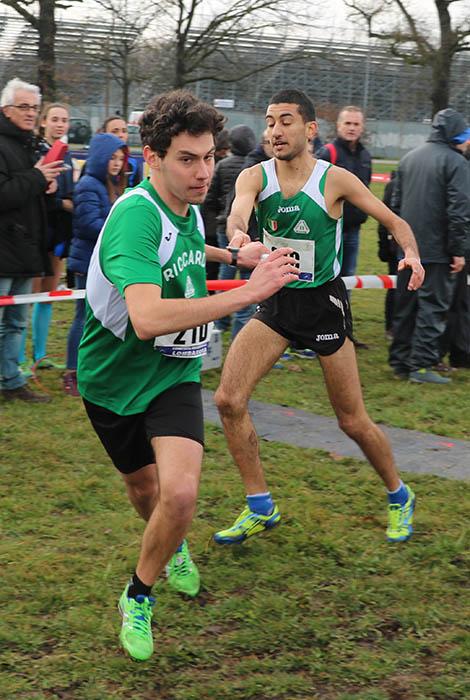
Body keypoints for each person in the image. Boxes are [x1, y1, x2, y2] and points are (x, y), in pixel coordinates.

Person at [76, 89, 299, 661]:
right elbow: (147, 318)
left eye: (209, 156)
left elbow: (190, 246)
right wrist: (247, 295)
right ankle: (169, 543)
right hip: (111, 380)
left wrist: (233, 258)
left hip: (173, 373)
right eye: (187, 159)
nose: (204, 172)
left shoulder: (186, 204)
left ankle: (138, 593)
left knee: (179, 492)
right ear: (152, 157)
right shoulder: (134, 217)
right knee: (145, 490)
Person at [212, 88, 424, 551]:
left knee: (351, 420)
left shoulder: (335, 180)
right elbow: (238, 214)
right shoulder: (254, 175)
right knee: (228, 400)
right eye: (269, 121)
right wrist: (238, 234)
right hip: (276, 304)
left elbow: (394, 220)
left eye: (285, 121)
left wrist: (411, 253)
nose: (274, 131)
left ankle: (399, 493)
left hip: (323, 305)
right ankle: (260, 506)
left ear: (309, 129)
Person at [389, 108, 470, 384]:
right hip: (438, 250)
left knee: (406, 305)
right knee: (433, 307)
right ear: (455, 135)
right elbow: (459, 211)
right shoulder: (457, 163)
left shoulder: (409, 158)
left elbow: (395, 205)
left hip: (408, 249)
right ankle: (422, 365)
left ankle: (399, 361)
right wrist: (458, 251)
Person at [0, 78, 63, 402]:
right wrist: (37, 177)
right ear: (6, 109)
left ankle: (11, 381)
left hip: (23, 249)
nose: (30, 113)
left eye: (34, 108)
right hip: (4, 250)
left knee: (16, 322)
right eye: (23, 107)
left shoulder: (29, 144)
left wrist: (44, 187)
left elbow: (23, 191)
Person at [64, 132, 128, 396]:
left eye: (120, 159)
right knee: (83, 317)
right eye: (112, 157)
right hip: (86, 261)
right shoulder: (89, 184)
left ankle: (94, 370)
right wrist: (122, 231)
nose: (116, 163)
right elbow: (89, 225)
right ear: (100, 157)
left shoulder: (109, 184)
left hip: (100, 262)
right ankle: (72, 373)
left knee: (99, 317)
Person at [19, 102, 74, 372]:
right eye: (54, 119)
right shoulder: (35, 152)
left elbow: (68, 193)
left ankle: (39, 356)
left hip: (58, 233)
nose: (60, 124)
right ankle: (18, 358)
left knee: (48, 295)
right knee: (26, 296)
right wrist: (61, 202)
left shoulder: (69, 155)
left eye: (64, 119)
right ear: (44, 122)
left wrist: (66, 203)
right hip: (36, 231)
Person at [317, 106, 372, 348]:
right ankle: (320, 331)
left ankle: (344, 332)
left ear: (362, 128)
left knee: (347, 282)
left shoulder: (365, 156)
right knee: (326, 281)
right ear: (338, 126)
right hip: (330, 231)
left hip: (354, 231)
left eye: (356, 124)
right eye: (347, 123)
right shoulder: (328, 153)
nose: (351, 128)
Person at [203, 124, 257, 338]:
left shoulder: (222, 164)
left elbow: (210, 196)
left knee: (225, 274)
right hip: (249, 230)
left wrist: (218, 217)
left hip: (223, 227)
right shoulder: (255, 167)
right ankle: (241, 318)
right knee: (246, 278)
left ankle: (220, 319)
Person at [377, 171, 399, 340]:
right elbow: (385, 217)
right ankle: (391, 326)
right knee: (394, 286)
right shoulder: (395, 184)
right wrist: (384, 246)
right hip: (395, 247)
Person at [99, 115, 141, 187]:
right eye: (115, 131)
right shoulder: (94, 163)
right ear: (104, 134)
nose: (121, 135)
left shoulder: (133, 165)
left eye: (124, 131)